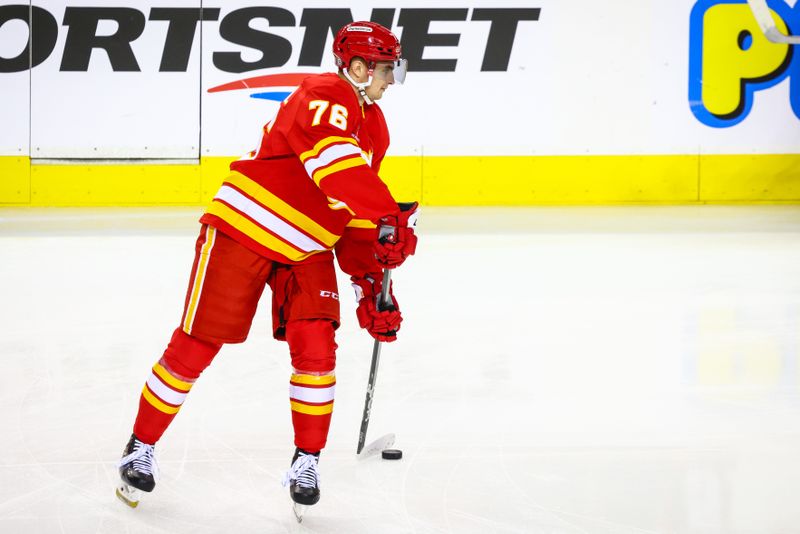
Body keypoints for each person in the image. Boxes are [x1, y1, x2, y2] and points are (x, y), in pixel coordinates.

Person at [115, 20, 418, 512]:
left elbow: (351, 210)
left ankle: (307, 460)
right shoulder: (323, 92)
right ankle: (140, 447)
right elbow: (334, 167)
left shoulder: (375, 125)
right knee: (197, 343)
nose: (392, 80)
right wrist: (388, 213)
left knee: (317, 347)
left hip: (307, 247)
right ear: (358, 68)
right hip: (245, 229)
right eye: (387, 69)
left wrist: (370, 284)